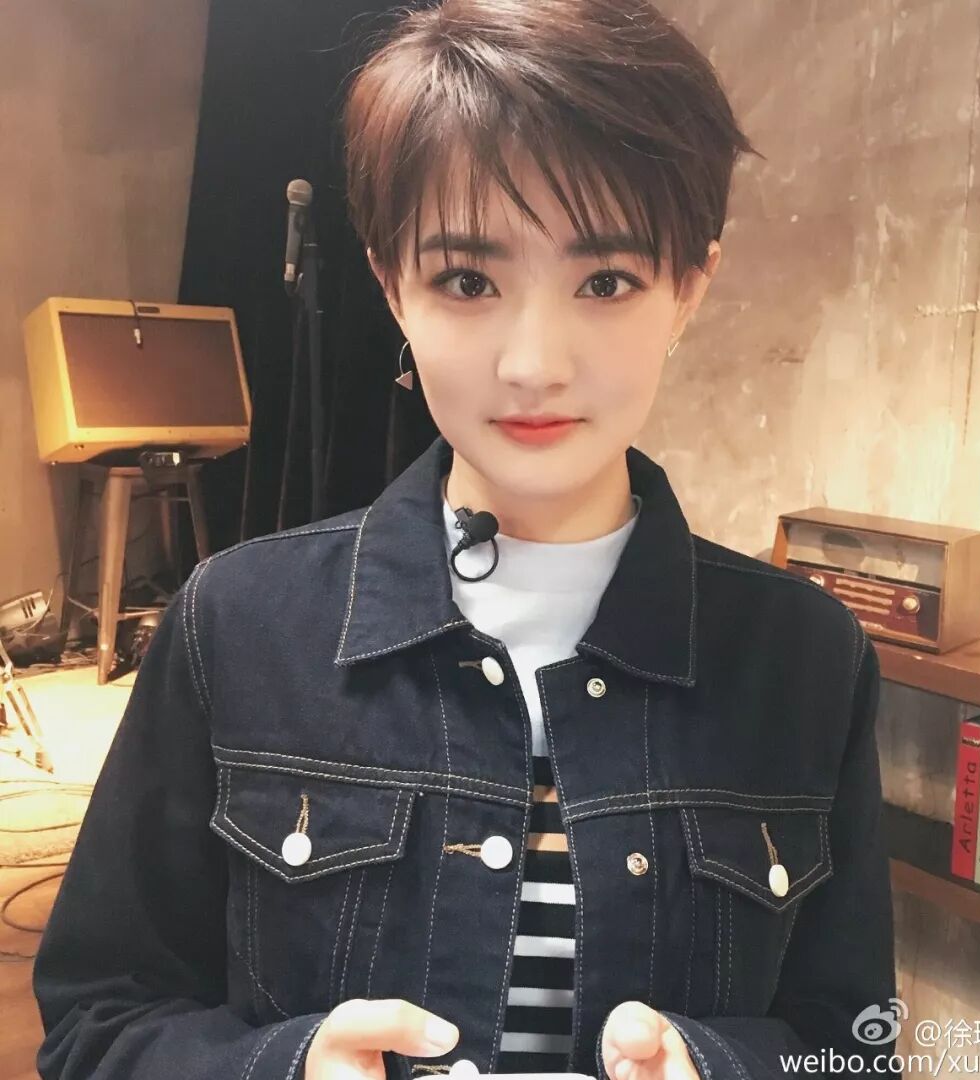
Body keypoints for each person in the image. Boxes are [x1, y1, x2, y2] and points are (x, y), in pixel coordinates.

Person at [32, 0, 898, 1078]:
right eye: (468, 281)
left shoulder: (804, 660)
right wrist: (286, 1068)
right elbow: (99, 1023)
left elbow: (854, 1045)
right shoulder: (238, 626)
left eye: (606, 282)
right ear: (393, 285)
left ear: (689, 289)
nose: (534, 363)